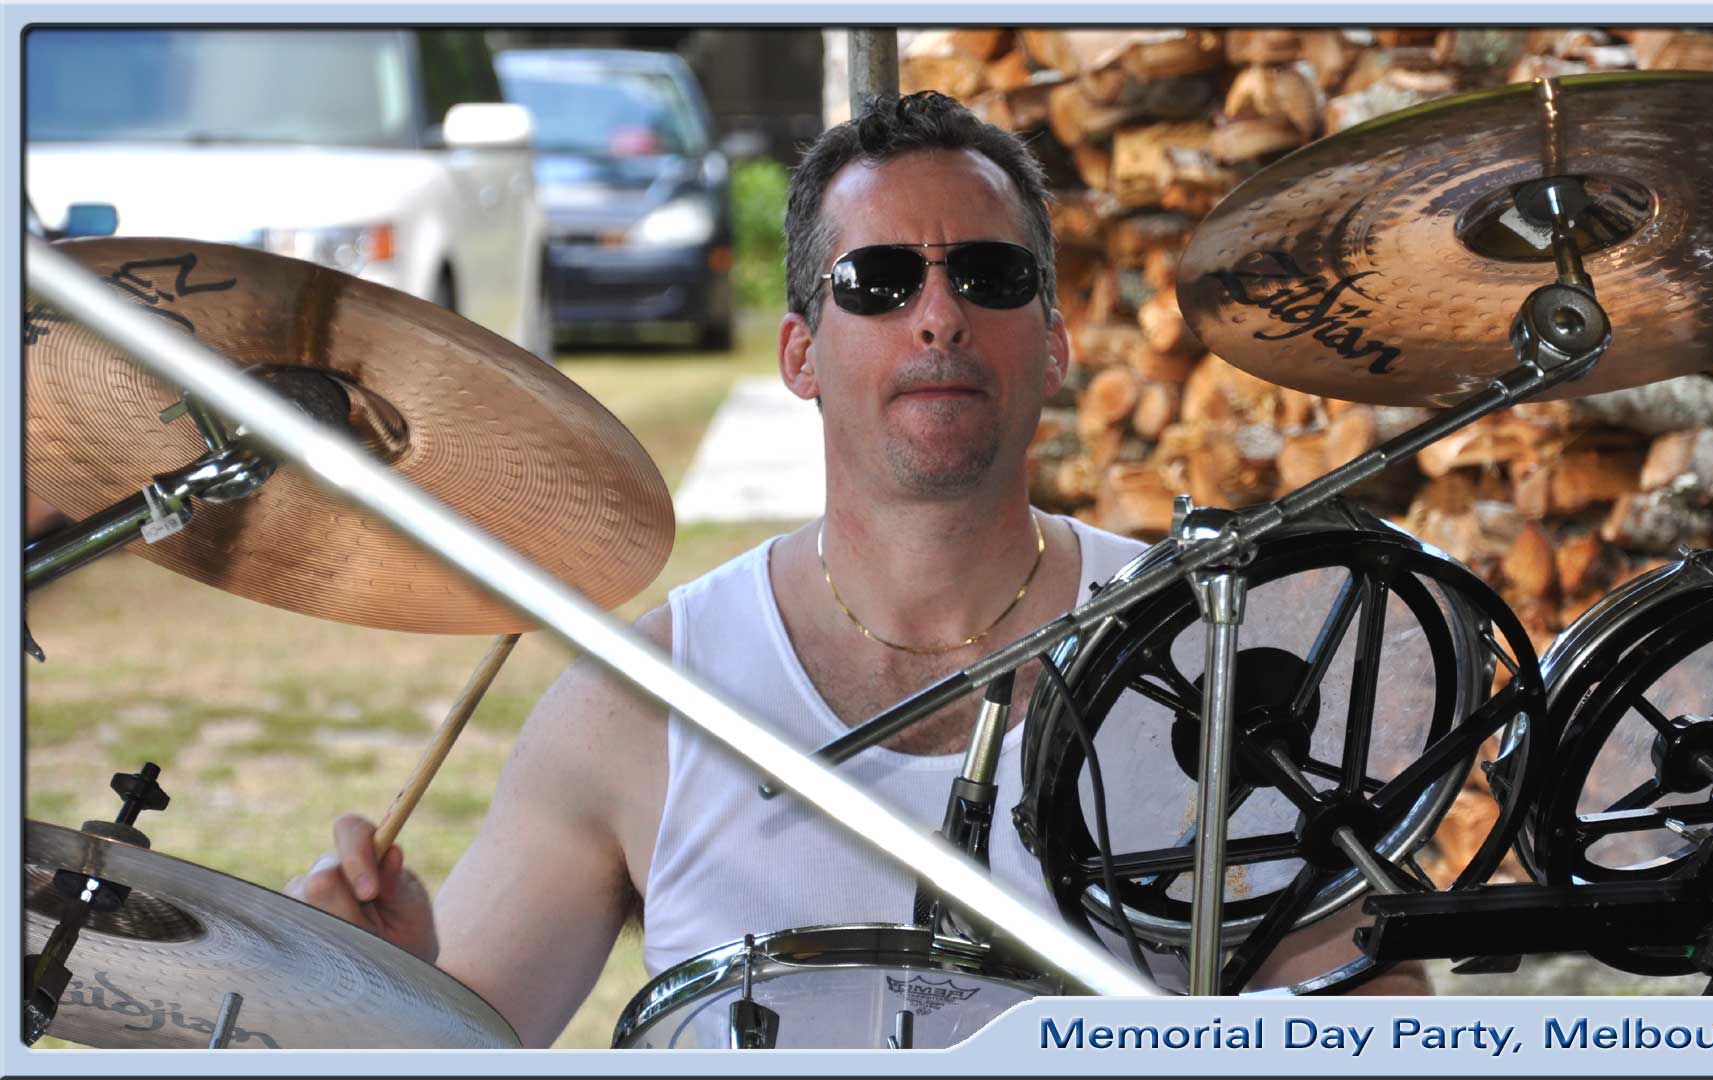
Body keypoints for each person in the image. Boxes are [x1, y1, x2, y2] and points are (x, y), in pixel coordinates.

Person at [287, 92, 1424, 1048]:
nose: (939, 316)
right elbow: (464, 1039)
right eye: (878, 280)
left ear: (1056, 344)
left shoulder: (1214, 651)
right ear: (800, 354)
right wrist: (384, 980)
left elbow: (1369, 1009)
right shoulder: (644, 701)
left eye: (990, 275)